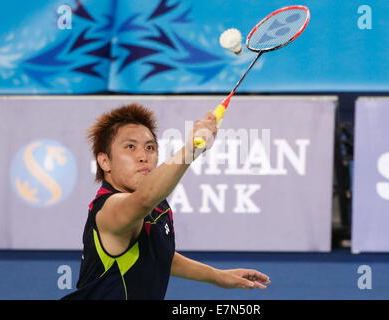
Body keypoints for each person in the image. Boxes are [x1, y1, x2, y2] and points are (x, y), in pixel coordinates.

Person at [62, 103, 270, 300]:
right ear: (105, 161)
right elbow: (143, 199)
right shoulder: (109, 210)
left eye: (150, 148)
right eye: (130, 147)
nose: (143, 156)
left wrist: (217, 276)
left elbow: (157, 254)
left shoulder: (157, 205)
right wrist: (192, 148)